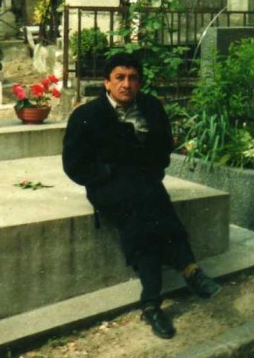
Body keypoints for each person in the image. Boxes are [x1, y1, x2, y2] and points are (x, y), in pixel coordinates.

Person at [62, 51, 220, 339]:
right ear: (106, 83)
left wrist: (145, 163)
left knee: (147, 204)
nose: (127, 85)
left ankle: (151, 302)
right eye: (119, 78)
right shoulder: (87, 115)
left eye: (133, 78)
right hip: (107, 186)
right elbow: (73, 165)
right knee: (142, 205)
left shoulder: (150, 108)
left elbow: (163, 152)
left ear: (140, 82)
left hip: (144, 183)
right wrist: (108, 172)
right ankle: (189, 270)